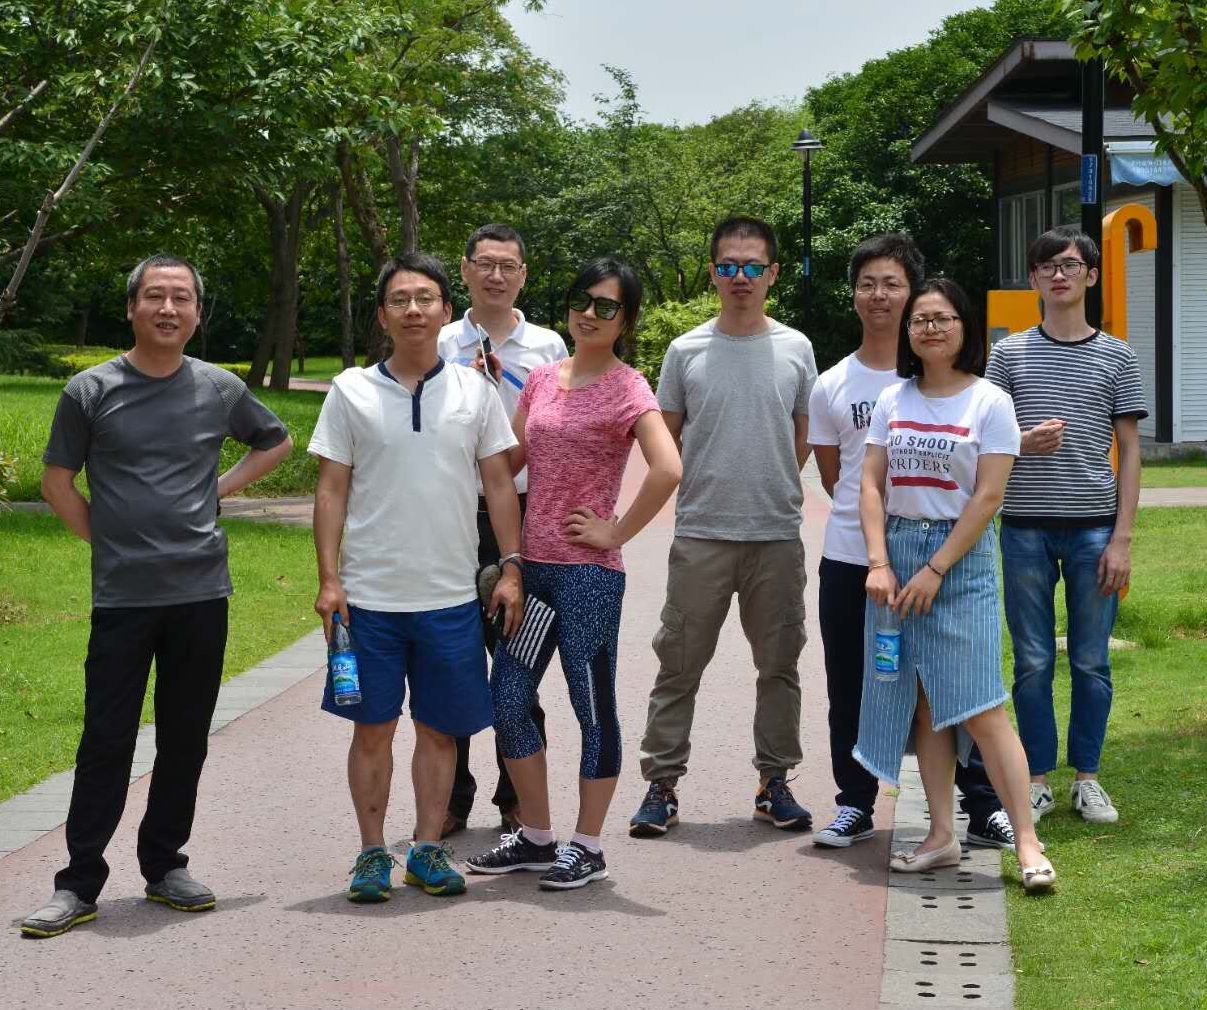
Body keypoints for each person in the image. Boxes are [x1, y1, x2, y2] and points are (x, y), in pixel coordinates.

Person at [21, 254, 293, 938]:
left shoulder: (218, 388)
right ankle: (78, 881)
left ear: (197, 313)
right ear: (132, 307)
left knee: (184, 738)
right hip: (124, 599)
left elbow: (275, 441)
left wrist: (216, 491)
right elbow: (57, 482)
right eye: (154, 296)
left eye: (181, 298)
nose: (167, 308)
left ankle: (165, 865)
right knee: (105, 739)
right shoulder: (90, 390)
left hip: (201, 593)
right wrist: (109, 540)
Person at [309, 252, 523, 901]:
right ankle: (372, 853)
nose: (412, 310)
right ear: (382, 315)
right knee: (372, 729)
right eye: (399, 300)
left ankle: (427, 849)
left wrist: (511, 566)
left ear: (445, 311)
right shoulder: (350, 390)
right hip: (368, 600)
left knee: (439, 729)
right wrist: (328, 579)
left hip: (450, 597)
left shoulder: (474, 391)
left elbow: (498, 483)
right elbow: (331, 489)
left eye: (425, 298)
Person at [466, 257, 680, 889]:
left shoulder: (629, 387)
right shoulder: (540, 379)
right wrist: (477, 397)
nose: (589, 313)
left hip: (588, 577)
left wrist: (616, 531)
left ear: (626, 319)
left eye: (605, 306)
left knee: (593, 708)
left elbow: (668, 467)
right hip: (533, 577)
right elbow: (505, 463)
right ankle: (537, 836)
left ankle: (587, 845)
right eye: (581, 300)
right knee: (508, 700)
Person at [809, 235, 1017, 851]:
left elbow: (984, 482)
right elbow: (841, 478)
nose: (880, 295)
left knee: (959, 686)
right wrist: (878, 553)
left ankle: (982, 806)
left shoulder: (971, 390)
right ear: (853, 294)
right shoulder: (834, 383)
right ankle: (855, 803)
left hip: (936, 559)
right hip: (856, 558)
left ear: (915, 296)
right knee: (859, 686)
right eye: (867, 283)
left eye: (893, 284)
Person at [855, 277, 1054, 891]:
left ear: (964, 327)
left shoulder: (990, 401)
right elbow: (870, 484)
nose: (930, 328)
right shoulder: (894, 398)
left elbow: (989, 496)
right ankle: (941, 836)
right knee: (922, 702)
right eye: (920, 320)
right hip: (897, 554)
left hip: (960, 563)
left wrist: (936, 567)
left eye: (942, 318)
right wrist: (879, 562)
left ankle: (1027, 843)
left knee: (981, 706)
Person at [629, 216, 818, 837]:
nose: (741, 277)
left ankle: (774, 782)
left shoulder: (796, 348)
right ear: (713, 272)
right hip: (702, 534)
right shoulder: (685, 350)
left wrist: (771, 479)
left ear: (773, 274)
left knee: (779, 666)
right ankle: (661, 785)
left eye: (753, 266)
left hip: (775, 535)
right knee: (678, 664)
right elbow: (665, 438)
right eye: (729, 266)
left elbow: (802, 435)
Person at [985, 226, 1146, 825]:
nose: (1059, 274)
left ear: (1091, 276)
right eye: (1048, 266)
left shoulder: (1118, 355)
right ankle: (1036, 778)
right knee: (1031, 659)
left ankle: (1088, 778)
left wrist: (1122, 539)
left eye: (1071, 265)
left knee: (1090, 659)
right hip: (1024, 526)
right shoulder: (1008, 354)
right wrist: (1024, 443)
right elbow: (989, 439)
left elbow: (1130, 450)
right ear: (1033, 278)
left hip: (1094, 529)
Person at [437, 223, 568, 837]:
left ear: (523, 275)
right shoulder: (439, 340)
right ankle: (452, 794)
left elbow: (559, 429)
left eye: (507, 265)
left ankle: (517, 795)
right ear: (464, 270)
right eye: (484, 263)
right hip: (452, 512)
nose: (495, 275)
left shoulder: (547, 346)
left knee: (519, 657)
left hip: (524, 512)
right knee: (451, 659)